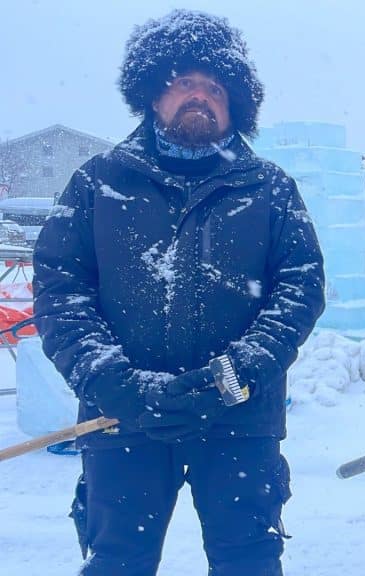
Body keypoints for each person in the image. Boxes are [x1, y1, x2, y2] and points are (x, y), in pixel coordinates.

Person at [32, 10, 325, 576]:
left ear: (235, 102)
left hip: (238, 419)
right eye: (183, 82)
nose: (200, 96)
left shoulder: (270, 188)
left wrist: (231, 377)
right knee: (117, 563)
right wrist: (114, 383)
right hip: (119, 420)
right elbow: (60, 289)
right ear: (151, 93)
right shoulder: (98, 181)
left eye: (214, 87)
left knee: (249, 563)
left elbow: (301, 289)